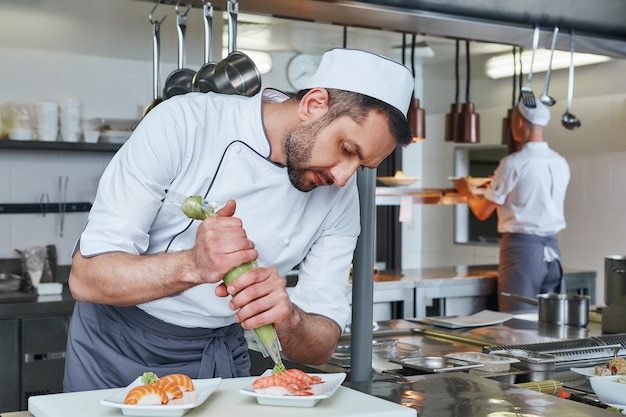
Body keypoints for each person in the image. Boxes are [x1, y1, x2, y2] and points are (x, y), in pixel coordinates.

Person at [63, 48, 414, 391]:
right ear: (314, 104)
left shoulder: (340, 197)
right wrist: (193, 265)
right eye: (347, 150)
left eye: (361, 166)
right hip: (116, 352)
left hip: (220, 357)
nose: (342, 177)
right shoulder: (184, 123)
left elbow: (321, 344)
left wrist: (290, 319)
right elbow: (87, 277)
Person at [455, 100, 570, 312]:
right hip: (552, 253)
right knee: (552, 321)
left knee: (517, 322)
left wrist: (466, 190)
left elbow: (482, 211)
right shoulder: (560, 162)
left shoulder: (513, 163)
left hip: (522, 252)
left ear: (518, 123)